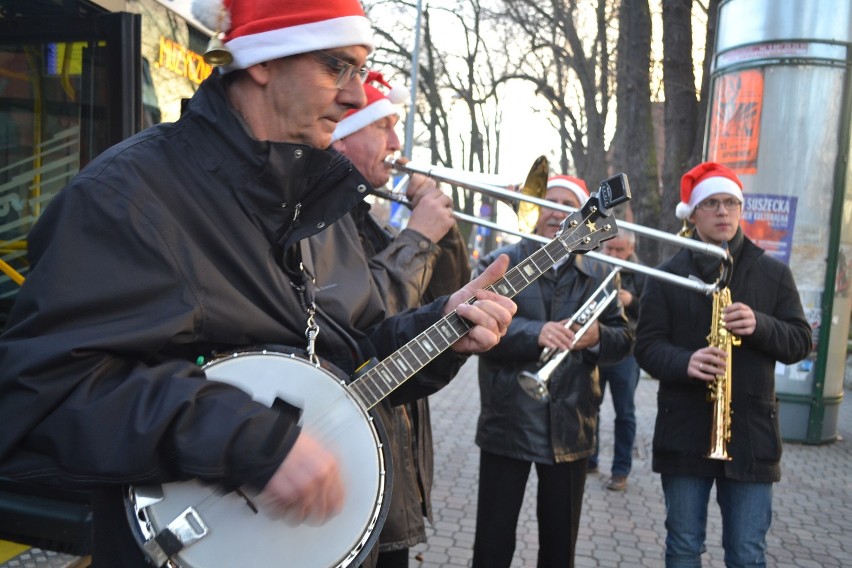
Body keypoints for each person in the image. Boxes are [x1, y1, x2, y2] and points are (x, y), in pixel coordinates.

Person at [0, 2, 517, 567]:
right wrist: (247, 438)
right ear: (264, 61)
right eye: (336, 66)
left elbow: (349, 355)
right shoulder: (130, 197)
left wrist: (440, 326)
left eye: (360, 72)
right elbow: (40, 395)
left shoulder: (321, 201)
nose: (357, 96)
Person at [308, 71, 470, 567]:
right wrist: (419, 237)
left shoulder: (364, 218)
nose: (398, 144)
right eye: (385, 127)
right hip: (348, 451)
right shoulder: (317, 218)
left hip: (387, 454)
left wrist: (445, 231)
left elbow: (440, 304)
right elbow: (362, 326)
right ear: (344, 131)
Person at [634, 162, 812, 568]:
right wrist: (686, 361)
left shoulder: (774, 273)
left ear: (740, 209)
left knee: (748, 554)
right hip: (684, 431)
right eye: (711, 203)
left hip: (751, 436)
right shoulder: (666, 276)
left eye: (731, 202)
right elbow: (645, 347)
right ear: (693, 214)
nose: (723, 212)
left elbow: (800, 341)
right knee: (682, 547)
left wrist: (760, 325)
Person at [471, 175, 632, 568]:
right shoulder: (502, 262)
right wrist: (534, 333)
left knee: (560, 548)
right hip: (508, 420)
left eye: (567, 204)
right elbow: (472, 324)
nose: (556, 212)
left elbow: (625, 338)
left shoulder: (599, 271)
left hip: (572, 424)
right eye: (549, 202)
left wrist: (596, 337)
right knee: (492, 544)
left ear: (580, 215)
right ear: (535, 209)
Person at [588, 228, 647, 491]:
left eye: (619, 250)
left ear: (630, 250)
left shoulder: (643, 275)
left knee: (625, 413)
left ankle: (620, 470)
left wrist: (632, 301)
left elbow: (655, 314)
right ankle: (589, 459)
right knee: (590, 406)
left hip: (627, 353)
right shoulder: (591, 266)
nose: (612, 255)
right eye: (609, 249)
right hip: (597, 348)